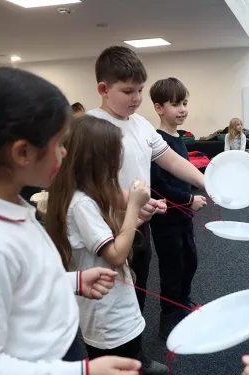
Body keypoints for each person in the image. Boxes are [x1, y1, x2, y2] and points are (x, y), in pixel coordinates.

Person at [0, 67, 142, 375]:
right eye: (59, 143)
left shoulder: (9, 209)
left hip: (52, 355)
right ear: (23, 153)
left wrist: (71, 281)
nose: (66, 152)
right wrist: (82, 372)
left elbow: (19, 283)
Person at [46, 115, 169, 375]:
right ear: (95, 160)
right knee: (118, 363)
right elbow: (114, 254)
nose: (119, 162)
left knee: (130, 358)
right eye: (115, 155)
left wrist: (137, 214)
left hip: (116, 305)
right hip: (106, 313)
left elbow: (112, 236)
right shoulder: (81, 204)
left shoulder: (90, 194)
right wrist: (134, 207)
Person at [86, 46, 205, 311]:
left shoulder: (140, 124)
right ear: (103, 89)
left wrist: (206, 182)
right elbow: (88, 186)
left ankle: (136, 352)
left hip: (140, 223)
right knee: (110, 295)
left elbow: (172, 161)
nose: (137, 98)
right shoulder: (90, 127)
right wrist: (132, 201)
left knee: (137, 285)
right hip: (104, 225)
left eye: (140, 89)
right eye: (128, 91)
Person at [148, 77, 208, 338]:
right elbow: (158, 186)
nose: (182, 109)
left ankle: (182, 304)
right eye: (175, 104)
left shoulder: (179, 138)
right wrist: (189, 200)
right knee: (172, 267)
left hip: (184, 215)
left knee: (189, 262)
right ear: (159, 108)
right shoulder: (156, 141)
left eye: (184, 103)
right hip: (165, 219)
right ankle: (168, 316)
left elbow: (184, 176)